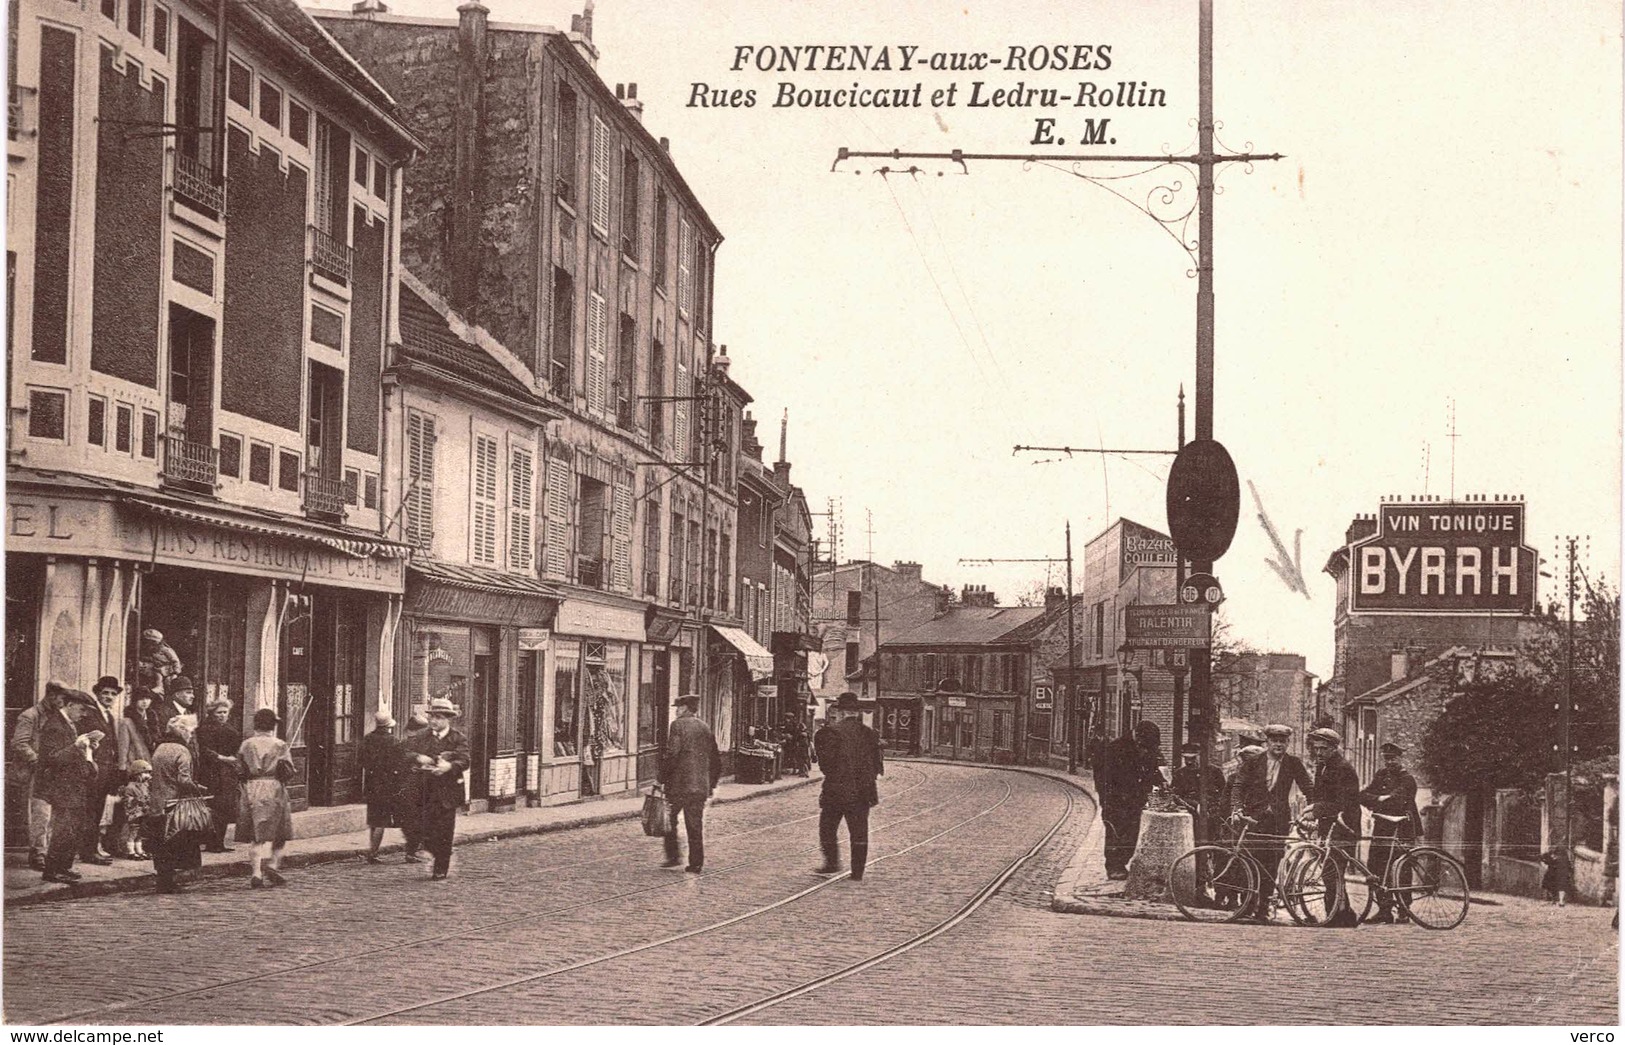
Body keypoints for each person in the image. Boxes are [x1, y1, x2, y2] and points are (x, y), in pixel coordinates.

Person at [1235, 724, 1313, 916]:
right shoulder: (1254, 761)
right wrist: (1236, 808)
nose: (1278, 744)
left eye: (1282, 741)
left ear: (1287, 743)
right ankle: (1247, 905)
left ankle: (1263, 909)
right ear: (1268, 742)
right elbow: (1238, 785)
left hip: (1279, 821)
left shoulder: (1293, 763)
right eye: (1274, 740)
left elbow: (1308, 787)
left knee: (1272, 864)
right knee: (1250, 861)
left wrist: (1314, 810)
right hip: (1254, 819)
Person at [812, 691, 884, 881]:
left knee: (827, 827)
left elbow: (825, 764)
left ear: (841, 712)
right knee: (859, 831)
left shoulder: (830, 733)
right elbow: (878, 766)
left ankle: (832, 863)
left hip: (836, 791)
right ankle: (857, 872)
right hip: (863, 791)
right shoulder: (870, 734)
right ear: (857, 712)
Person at [35, 682, 99, 883]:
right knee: (63, 828)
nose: (83, 715)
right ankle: (53, 870)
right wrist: (75, 747)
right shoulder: (54, 725)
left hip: (74, 785)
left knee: (73, 827)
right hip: (61, 786)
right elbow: (51, 758)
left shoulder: (69, 724)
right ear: (69, 705)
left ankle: (64, 866)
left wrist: (88, 748)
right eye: (81, 710)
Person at [405, 698, 470, 880]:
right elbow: (406, 752)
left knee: (444, 830)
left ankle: (440, 868)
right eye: (432, 717)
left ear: (448, 719)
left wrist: (449, 767)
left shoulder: (458, 738)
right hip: (425, 789)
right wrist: (418, 757)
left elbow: (465, 760)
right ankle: (433, 849)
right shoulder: (422, 736)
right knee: (422, 826)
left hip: (447, 792)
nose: (434, 721)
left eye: (439, 717)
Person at [1305, 727, 1363, 927]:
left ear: (1333, 748)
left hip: (1344, 826)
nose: (1319, 753)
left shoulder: (1341, 768)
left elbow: (1342, 803)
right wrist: (1314, 811)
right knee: (1331, 871)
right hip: (1329, 826)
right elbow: (1319, 796)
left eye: (1323, 749)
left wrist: (1317, 809)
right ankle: (1343, 914)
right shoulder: (1324, 766)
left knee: (1332, 872)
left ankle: (1337, 915)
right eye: (1316, 748)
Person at [1359, 741, 1421, 923]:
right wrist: (1380, 798)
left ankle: (1404, 910)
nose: (1390, 762)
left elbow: (1397, 802)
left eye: (1393, 758)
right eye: (1387, 759)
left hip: (1403, 827)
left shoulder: (1407, 779)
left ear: (1401, 758)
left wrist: (1378, 800)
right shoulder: (1381, 775)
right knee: (1375, 867)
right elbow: (1363, 795)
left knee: (1401, 868)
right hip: (1382, 827)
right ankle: (1384, 909)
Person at [658, 693, 721, 874]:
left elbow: (672, 755)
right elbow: (715, 759)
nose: (676, 711)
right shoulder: (705, 727)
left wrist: (661, 778)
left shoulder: (677, 726)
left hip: (679, 786)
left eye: (678, 707)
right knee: (695, 825)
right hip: (699, 786)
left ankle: (673, 856)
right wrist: (711, 784)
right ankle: (696, 863)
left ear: (685, 708)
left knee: (669, 820)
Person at [148, 713, 208, 894]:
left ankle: (163, 880)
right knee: (175, 841)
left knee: (161, 842)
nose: (191, 735)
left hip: (158, 801)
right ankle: (169, 882)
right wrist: (197, 789)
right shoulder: (182, 750)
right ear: (181, 731)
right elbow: (183, 779)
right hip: (175, 802)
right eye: (190, 731)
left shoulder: (160, 747)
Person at [236, 708, 295, 888]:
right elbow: (288, 771)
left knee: (256, 834)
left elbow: (239, 769)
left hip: (252, 787)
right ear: (273, 726)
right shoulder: (280, 745)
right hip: (274, 788)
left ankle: (256, 873)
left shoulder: (246, 744)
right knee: (281, 832)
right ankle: (272, 864)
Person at [1099, 721, 1165, 879]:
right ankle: (1114, 867)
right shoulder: (1115, 749)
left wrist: (1161, 781)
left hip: (1136, 800)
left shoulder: (1148, 747)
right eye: (1144, 747)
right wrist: (1109, 799)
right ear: (1138, 738)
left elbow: (1153, 769)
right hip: (1116, 801)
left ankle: (1123, 862)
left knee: (1133, 833)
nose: (1145, 750)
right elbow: (1103, 780)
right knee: (1116, 832)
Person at [75, 676, 123, 865]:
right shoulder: (89, 714)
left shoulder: (109, 716)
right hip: (92, 770)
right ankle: (88, 852)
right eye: (105, 693)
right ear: (97, 694)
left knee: (97, 810)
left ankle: (92, 848)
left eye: (113, 693)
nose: (109, 696)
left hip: (105, 771)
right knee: (90, 811)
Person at [11, 690, 54, 870]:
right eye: (61, 698)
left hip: (52, 772)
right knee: (38, 813)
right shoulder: (30, 715)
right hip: (32, 772)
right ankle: (37, 852)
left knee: (50, 814)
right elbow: (19, 743)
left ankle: (47, 851)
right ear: (52, 695)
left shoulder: (57, 716)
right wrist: (38, 761)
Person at [195, 699, 241, 853]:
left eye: (224, 712)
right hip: (212, 772)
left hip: (227, 774)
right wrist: (222, 758)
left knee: (226, 808)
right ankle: (211, 842)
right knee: (214, 808)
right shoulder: (205, 728)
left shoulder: (230, 728)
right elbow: (204, 750)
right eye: (218, 713)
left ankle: (219, 842)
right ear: (212, 713)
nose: (222, 715)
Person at [359, 710, 404, 863]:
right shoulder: (394, 741)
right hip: (387, 784)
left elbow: (361, 761)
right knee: (382, 820)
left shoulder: (367, 739)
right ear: (389, 726)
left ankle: (372, 850)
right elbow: (399, 763)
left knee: (373, 819)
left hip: (372, 783)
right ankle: (373, 853)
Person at [1171, 742, 1227, 842]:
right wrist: (1195, 804)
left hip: (1212, 813)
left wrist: (1212, 806)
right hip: (1190, 814)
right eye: (1186, 758)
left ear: (1200, 756)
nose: (1189, 762)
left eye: (1193, 758)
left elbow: (1224, 793)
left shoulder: (1214, 771)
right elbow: (1175, 796)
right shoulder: (1179, 774)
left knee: (1214, 842)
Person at [398, 713, 430, 862]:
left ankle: (414, 850)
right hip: (411, 788)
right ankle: (412, 851)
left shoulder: (411, 743)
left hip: (416, 788)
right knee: (414, 820)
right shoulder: (409, 745)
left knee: (414, 820)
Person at [118, 759, 155, 860]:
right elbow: (128, 802)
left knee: (140, 833)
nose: (148, 775)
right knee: (133, 832)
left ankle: (139, 850)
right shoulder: (130, 787)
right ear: (137, 774)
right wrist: (138, 801)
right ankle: (131, 851)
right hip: (135, 814)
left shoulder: (144, 785)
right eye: (145, 773)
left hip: (143, 812)